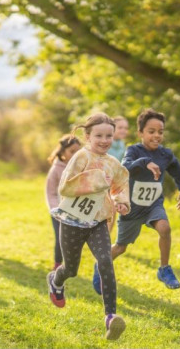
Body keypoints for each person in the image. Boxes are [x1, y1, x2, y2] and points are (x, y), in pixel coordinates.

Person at [46, 113, 130, 341]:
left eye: (109, 136)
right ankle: (56, 280)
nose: (104, 140)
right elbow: (65, 186)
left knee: (105, 261)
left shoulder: (113, 163)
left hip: (98, 222)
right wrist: (96, 180)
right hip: (73, 221)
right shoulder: (81, 157)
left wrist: (121, 201)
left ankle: (111, 317)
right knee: (71, 269)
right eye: (99, 135)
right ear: (87, 136)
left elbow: (121, 184)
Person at [93, 109, 180, 292]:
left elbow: (175, 167)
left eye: (160, 132)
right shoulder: (134, 150)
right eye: (151, 132)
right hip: (131, 208)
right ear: (141, 133)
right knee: (121, 247)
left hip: (153, 204)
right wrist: (145, 162)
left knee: (165, 228)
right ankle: (100, 265)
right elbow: (125, 166)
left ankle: (164, 269)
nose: (156, 136)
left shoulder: (165, 154)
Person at [45, 134, 81, 270]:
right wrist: (55, 210)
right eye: (72, 151)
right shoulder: (55, 170)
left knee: (72, 241)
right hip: (58, 212)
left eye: (78, 152)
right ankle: (57, 266)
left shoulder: (81, 168)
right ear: (63, 152)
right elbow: (50, 193)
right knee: (60, 240)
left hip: (76, 211)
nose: (75, 155)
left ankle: (69, 266)